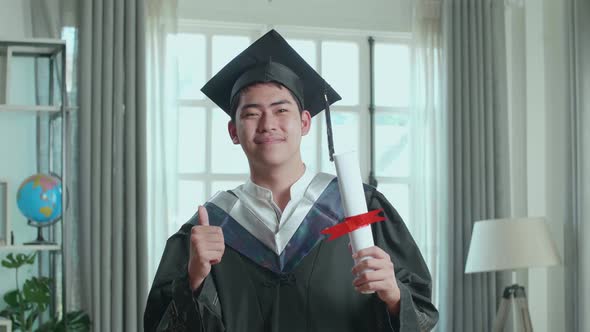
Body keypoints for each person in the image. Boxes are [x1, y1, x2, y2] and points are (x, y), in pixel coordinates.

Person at [144, 29, 438, 332]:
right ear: (233, 132)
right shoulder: (208, 228)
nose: (268, 124)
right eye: (252, 113)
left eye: (281, 110)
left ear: (305, 122)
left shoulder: (362, 209)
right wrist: (192, 281)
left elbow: (422, 314)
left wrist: (393, 295)